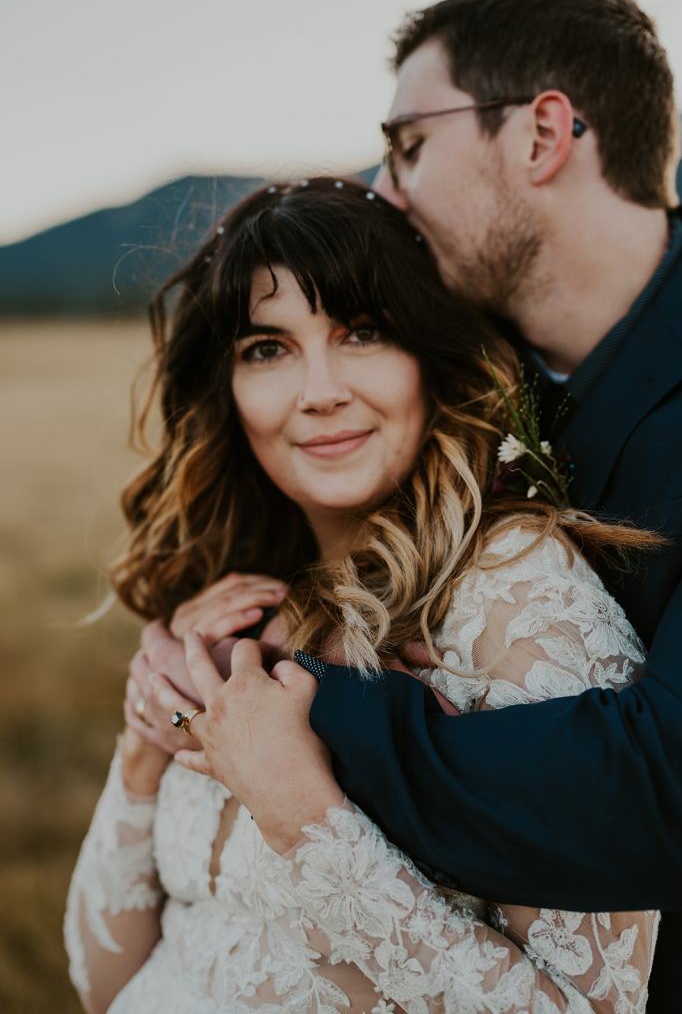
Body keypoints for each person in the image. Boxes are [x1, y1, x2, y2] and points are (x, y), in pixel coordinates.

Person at [65, 178, 660, 1013]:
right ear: (228, 388)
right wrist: (142, 743)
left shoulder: (511, 596)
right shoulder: (239, 604)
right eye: (267, 349)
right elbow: (103, 982)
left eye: (363, 332)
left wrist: (304, 817)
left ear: (428, 354)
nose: (320, 390)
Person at [201, 0, 680, 1010]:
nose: (387, 188)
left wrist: (303, 694)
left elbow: (662, 788)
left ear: (543, 134)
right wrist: (212, 644)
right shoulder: (473, 377)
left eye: (409, 144)